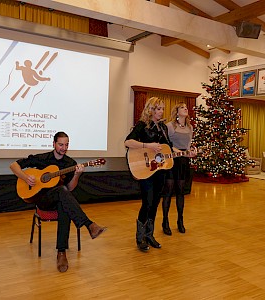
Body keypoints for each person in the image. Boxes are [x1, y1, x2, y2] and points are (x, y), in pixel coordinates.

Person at [10, 131, 106, 272]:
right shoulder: (43, 158)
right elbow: (13, 165)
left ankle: (62, 253)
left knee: (63, 201)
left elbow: (70, 188)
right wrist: (25, 177)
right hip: (42, 200)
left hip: (60, 199)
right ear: (54, 144)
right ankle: (89, 225)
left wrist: (77, 175)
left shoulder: (70, 163)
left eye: (66, 145)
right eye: (61, 144)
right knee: (62, 193)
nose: (64, 148)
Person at [124, 97, 172, 251]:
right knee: (147, 202)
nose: (161, 112)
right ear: (150, 109)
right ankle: (140, 238)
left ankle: (149, 235)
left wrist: (186, 153)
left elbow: (169, 148)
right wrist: (147, 145)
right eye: (158, 108)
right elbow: (128, 142)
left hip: (159, 171)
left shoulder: (163, 128)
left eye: (162, 109)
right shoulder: (142, 125)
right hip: (146, 171)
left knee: (155, 202)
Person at [162, 103, 196, 235]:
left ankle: (180, 221)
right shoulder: (170, 126)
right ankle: (165, 221)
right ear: (176, 112)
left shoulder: (190, 127)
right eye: (182, 107)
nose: (186, 109)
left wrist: (190, 152)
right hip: (171, 159)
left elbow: (188, 145)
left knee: (181, 192)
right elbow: (166, 144)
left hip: (183, 161)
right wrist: (178, 151)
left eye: (186, 107)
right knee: (168, 192)